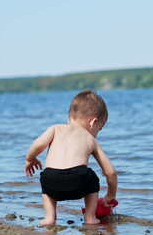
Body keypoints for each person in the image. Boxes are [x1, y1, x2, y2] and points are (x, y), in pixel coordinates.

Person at [24, 89, 118, 225]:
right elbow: (111, 172)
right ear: (93, 122)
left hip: (52, 183)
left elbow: (37, 144)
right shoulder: (90, 139)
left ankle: (50, 217)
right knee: (92, 178)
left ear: (70, 117)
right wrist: (110, 196)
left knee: (45, 177)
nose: (98, 133)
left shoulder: (55, 129)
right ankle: (90, 217)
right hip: (78, 181)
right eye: (100, 128)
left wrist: (30, 159)